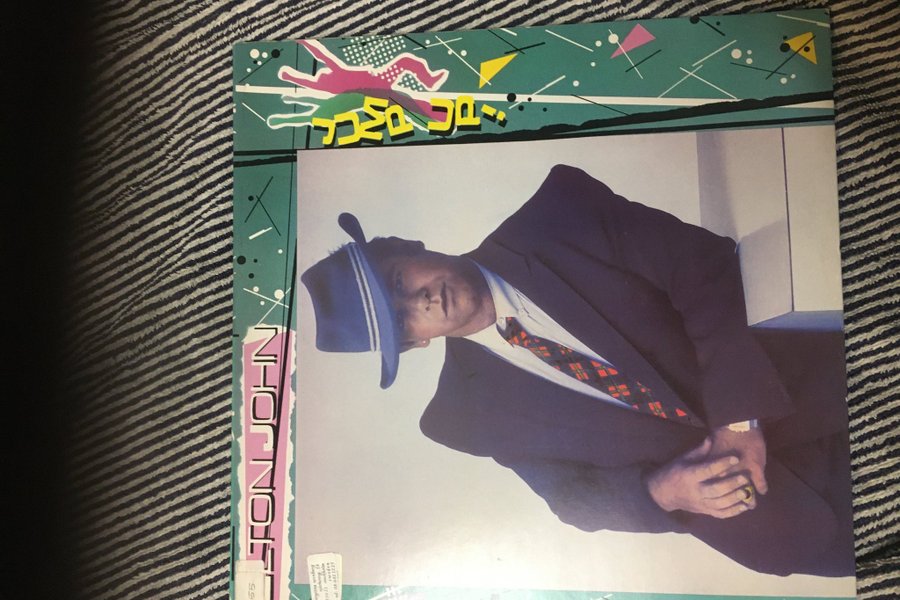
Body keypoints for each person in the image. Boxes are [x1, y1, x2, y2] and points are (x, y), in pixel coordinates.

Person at [300, 164, 854, 577]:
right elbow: (571, 498)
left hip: (836, 391)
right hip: (785, 522)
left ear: (408, 246)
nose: (420, 302)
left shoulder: (558, 215)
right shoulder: (462, 418)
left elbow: (703, 268)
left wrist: (738, 419)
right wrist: (663, 492)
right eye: (401, 321)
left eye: (399, 281)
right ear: (414, 344)